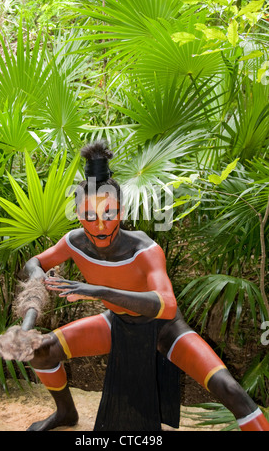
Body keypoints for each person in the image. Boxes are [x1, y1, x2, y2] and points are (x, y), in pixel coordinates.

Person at [23, 141, 269, 432]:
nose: (100, 225)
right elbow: (35, 261)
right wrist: (37, 277)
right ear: (78, 215)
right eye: (90, 216)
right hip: (119, 324)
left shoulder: (143, 248)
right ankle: (65, 413)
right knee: (42, 351)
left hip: (165, 330)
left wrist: (97, 291)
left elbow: (167, 305)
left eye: (108, 214)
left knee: (231, 391)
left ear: (122, 212)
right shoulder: (73, 242)